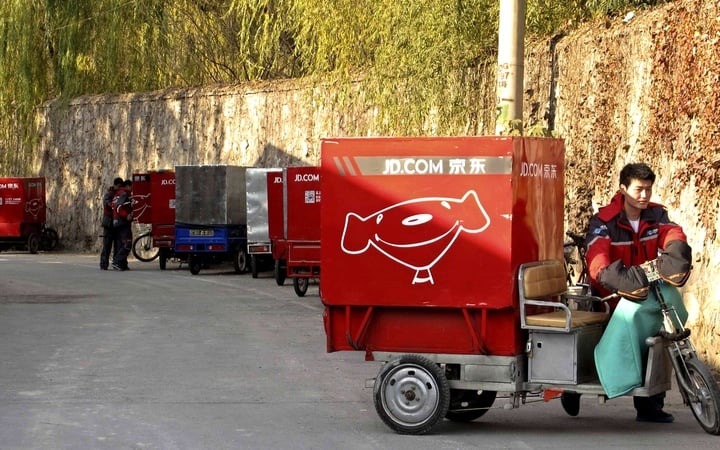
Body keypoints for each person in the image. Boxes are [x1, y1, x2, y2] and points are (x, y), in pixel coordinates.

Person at [584, 162, 692, 423]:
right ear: (623, 189)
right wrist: (612, 276)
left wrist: (676, 250)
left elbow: (672, 232)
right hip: (612, 296)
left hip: (646, 292)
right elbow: (597, 257)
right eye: (638, 189)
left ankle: (650, 407)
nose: (644, 195)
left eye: (648, 189)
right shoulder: (604, 222)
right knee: (616, 343)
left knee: (657, 340)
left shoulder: (656, 216)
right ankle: (571, 391)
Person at [100, 177, 123, 270]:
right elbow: (107, 204)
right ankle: (103, 264)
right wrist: (115, 205)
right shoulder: (109, 194)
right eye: (120, 186)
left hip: (117, 223)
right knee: (107, 245)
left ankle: (116, 263)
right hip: (109, 223)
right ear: (116, 185)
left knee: (118, 245)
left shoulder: (119, 194)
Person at [111, 180, 134, 271]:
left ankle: (122, 264)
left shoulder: (118, 194)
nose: (133, 188)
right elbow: (118, 207)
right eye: (132, 186)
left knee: (121, 244)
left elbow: (114, 205)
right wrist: (126, 215)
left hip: (116, 222)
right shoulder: (124, 194)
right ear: (128, 186)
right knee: (127, 243)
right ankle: (117, 261)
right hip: (122, 222)